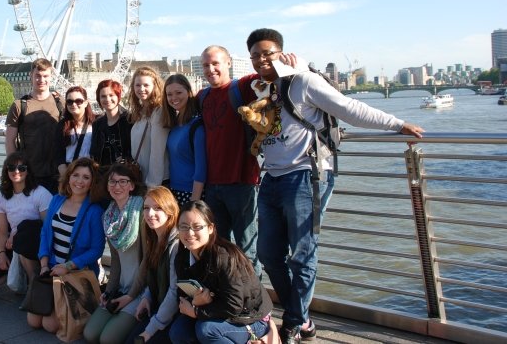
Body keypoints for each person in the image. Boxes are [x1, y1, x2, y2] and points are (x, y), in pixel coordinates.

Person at [246, 28, 425, 343]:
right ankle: (301, 318)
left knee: (302, 252)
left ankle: (293, 321)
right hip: (271, 178)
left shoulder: (304, 82)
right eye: (255, 55)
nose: (261, 59)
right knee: (269, 254)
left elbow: (349, 109)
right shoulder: (264, 89)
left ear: (281, 52)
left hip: (305, 174)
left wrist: (397, 124)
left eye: (267, 52)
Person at [169, 200, 274, 344]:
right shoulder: (182, 257)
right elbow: (182, 294)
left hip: (249, 317)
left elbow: (234, 305)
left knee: (206, 330)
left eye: (197, 227)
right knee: (178, 332)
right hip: (215, 312)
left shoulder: (224, 257)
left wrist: (196, 311)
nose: (190, 233)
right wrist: (195, 302)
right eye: (184, 227)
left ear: (211, 228)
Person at [198, 46, 263, 276]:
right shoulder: (202, 97)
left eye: (216, 63)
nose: (210, 69)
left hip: (242, 182)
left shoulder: (241, 88)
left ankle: (255, 302)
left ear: (228, 63)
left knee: (247, 248)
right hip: (212, 186)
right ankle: (229, 294)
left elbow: (270, 73)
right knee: (219, 246)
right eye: (206, 65)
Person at [28, 157, 105, 334]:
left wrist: (68, 266)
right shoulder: (57, 200)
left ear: (92, 182)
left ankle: (78, 307)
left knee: (50, 325)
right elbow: (45, 233)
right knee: (33, 321)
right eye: (76, 175)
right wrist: (44, 263)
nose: (80, 181)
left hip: (76, 273)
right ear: (68, 177)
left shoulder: (94, 210)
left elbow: (97, 249)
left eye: (86, 177)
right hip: (53, 269)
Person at [0, 151, 52, 292]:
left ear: (28, 171)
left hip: (37, 245)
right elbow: (2, 231)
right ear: (6, 171)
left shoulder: (41, 193)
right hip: (13, 245)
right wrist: (2, 254)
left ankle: (34, 286)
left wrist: (16, 235)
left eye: (21, 168)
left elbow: (47, 228)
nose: (16, 171)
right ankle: (19, 277)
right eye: (11, 168)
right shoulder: (2, 197)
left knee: (26, 228)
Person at [84, 163, 146, 344]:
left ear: (132, 186)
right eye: (112, 181)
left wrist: (131, 296)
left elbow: (148, 260)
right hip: (121, 287)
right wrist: (109, 291)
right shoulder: (109, 217)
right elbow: (116, 262)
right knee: (90, 334)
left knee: (107, 339)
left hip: (140, 290)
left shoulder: (141, 212)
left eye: (123, 181)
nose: (117, 186)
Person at [124, 186, 180, 344]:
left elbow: (174, 292)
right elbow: (155, 277)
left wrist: (151, 328)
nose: (150, 214)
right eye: (146, 208)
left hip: (173, 315)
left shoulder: (176, 245)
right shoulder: (155, 238)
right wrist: (146, 298)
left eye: (157, 208)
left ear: (169, 210)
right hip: (158, 306)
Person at [6, 58, 64, 193]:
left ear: (51, 77)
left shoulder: (60, 102)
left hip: (56, 172)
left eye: (45, 76)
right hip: (29, 172)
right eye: (37, 76)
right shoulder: (19, 105)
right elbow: (10, 140)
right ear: (31, 75)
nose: (41, 80)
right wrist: (15, 168)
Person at [161, 74, 206, 206]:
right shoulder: (174, 125)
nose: (174, 98)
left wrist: (194, 203)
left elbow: (201, 168)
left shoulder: (196, 126)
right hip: (173, 192)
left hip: (191, 193)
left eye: (178, 92)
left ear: (188, 92)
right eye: (169, 94)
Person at [126, 66, 169, 187]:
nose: (141, 89)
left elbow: (157, 152)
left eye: (146, 85)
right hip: (141, 177)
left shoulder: (158, 112)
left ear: (155, 87)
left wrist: (152, 186)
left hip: (155, 182)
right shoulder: (140, 113)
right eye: (138, 85)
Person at [90, 79, 132, 168]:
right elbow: (94, 153)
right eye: (103, 96)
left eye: (111, 95)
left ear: (118, 96)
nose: (107, 99)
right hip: (103, 175)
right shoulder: (97, 124)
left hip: (124, 174)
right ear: (99, 99)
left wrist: (126, 159)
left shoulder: (129, 120)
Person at [55, 86, 95, 177]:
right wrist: (67, 178)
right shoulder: (62, 125)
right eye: (69, 102)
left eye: (78, 101)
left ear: (86, 103)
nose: (74, 104)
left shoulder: (96, 123)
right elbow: (58, 155)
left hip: (92, 172)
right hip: (70, 172)